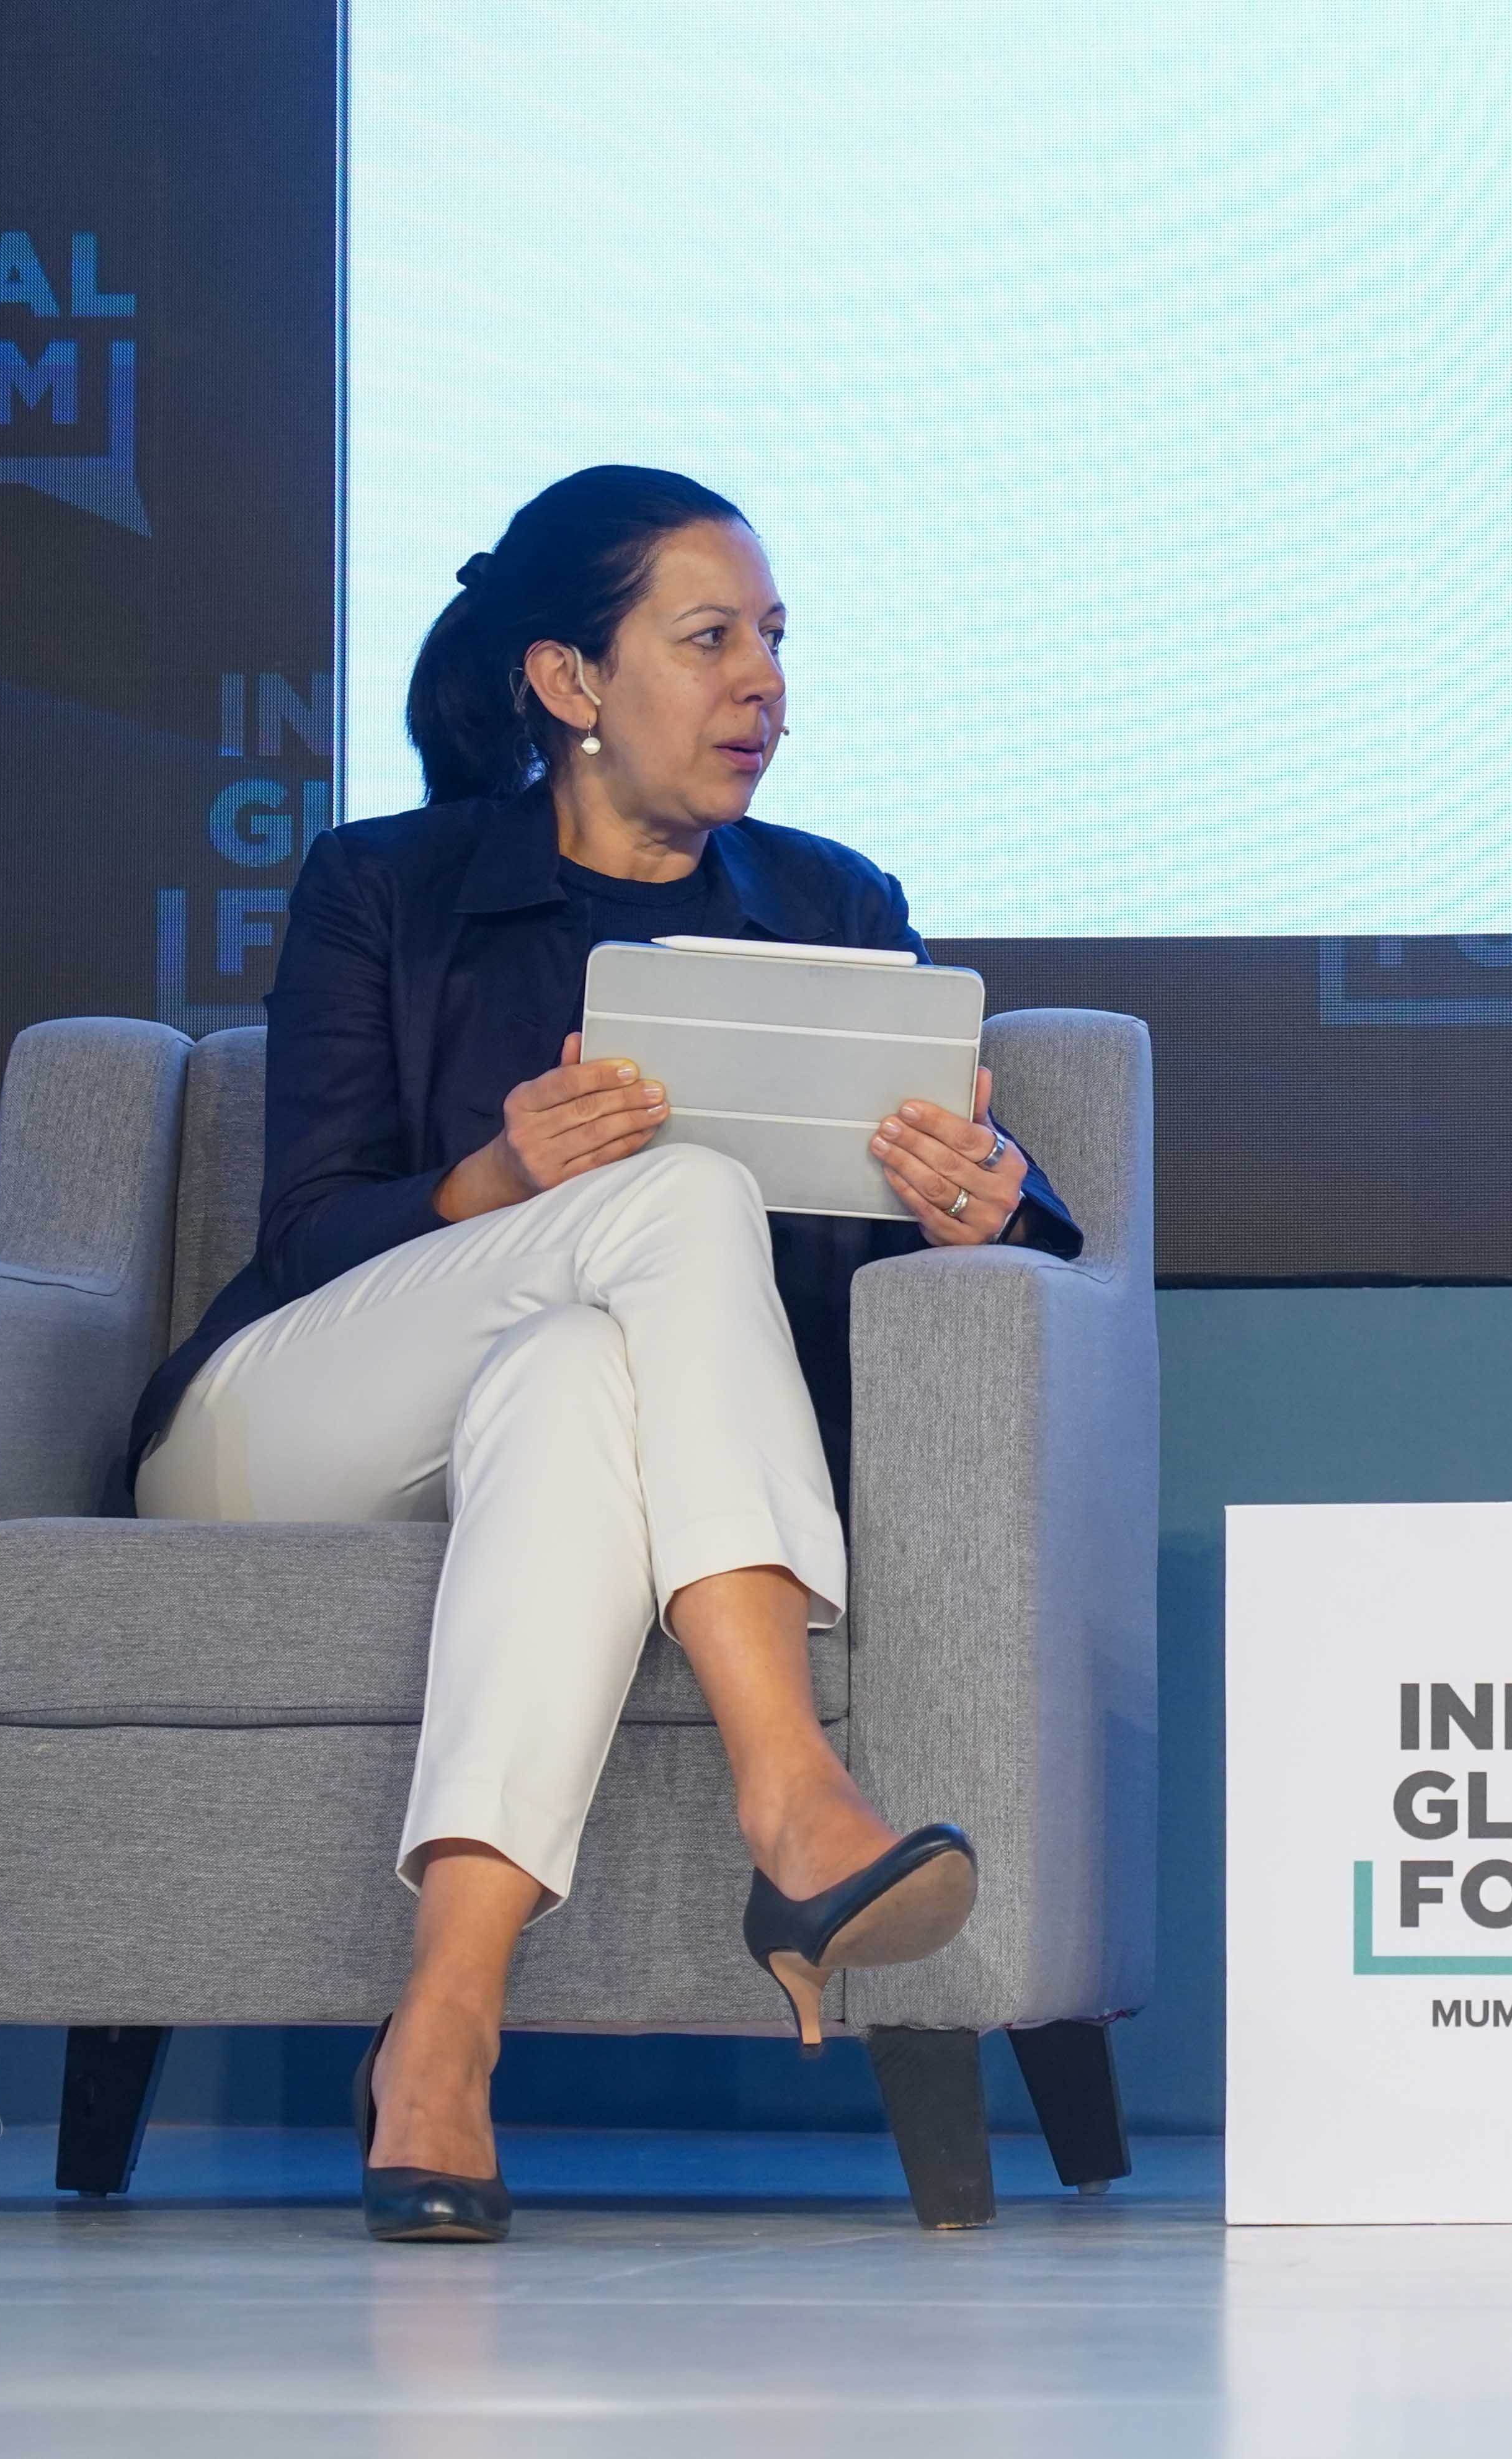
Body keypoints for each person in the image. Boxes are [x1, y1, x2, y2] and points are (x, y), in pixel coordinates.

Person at [127, 465, 1082, 2242]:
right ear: (568, 680)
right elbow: (303, 1234)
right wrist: (496, 1180)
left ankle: (441, 2037)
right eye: (710, 639)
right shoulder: (382, 885)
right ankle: (792, 1796)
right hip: (290, 1427)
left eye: (775, 639)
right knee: (675, 1195)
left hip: (551, 1435)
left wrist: (987, 1206)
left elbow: (998, 1226)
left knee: (573, 1373)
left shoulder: (835, 904)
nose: (764, 683)